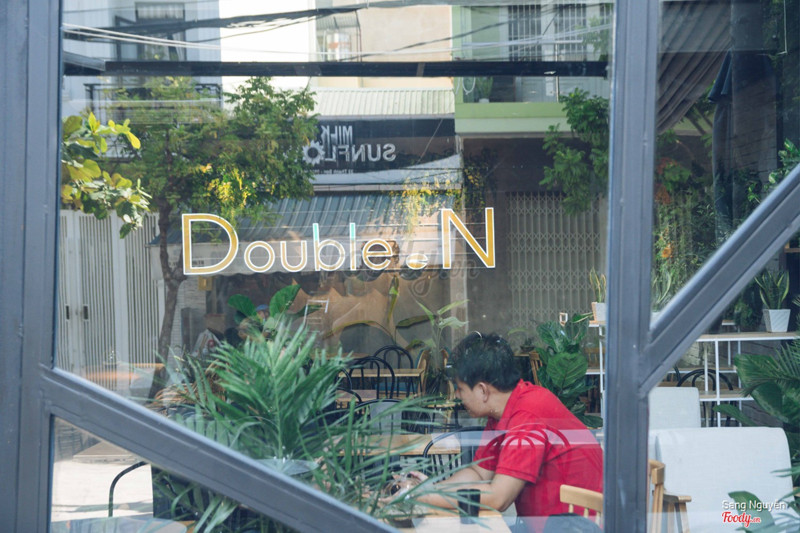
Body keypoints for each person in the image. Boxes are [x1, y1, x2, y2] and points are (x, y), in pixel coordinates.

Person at [410, 332, 603, 531]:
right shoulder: (504, 410)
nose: (457, 396)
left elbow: (498, 498)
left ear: (483, 390)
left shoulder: (527, 415)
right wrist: (432, 489)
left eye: (460, 389)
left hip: (573, 528)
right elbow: (479, 472)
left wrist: (426, 497)